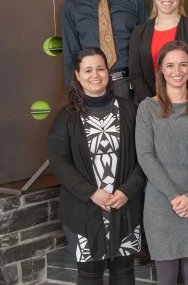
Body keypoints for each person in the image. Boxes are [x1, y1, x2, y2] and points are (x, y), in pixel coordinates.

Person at [48, 47, 145, 285]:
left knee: (124, 270)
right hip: (84, 209)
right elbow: (59, 161)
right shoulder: (66, 117)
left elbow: (145, 156)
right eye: (88, 70)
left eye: (100, 68)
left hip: (124, 205)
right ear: (77, 75)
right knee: (90, 273)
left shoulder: (130, 110)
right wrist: (92, 193)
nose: (95, 75)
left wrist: (126, 191)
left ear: (108, 73)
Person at [135, 40, 188, 285]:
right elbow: (145, 156)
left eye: (182, 64)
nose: (177, 71)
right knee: (166, 279)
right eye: (170, 65)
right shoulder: (147, 108)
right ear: (160, 69)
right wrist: (173, 196)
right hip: (160, 203)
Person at [62, 0, 150, 99]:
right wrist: (75, 96)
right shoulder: (72, 5)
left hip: (131, 86)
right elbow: (71, 54)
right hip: (91, 86)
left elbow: (147, 47)